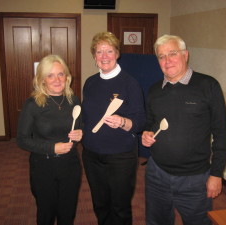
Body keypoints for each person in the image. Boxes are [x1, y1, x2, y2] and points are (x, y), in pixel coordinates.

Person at [141, 34, 226, 225]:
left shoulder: (208, 86)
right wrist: (146, 133)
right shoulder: (154, 90)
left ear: (185, 55)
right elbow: (150, 123)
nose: (167, 60)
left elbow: (221, 133)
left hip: (195, 179)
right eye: (161, 56)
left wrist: (216, 174)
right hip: (157, 174)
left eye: (172, 53)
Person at [81, 31, 146, 225]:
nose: (104, 56)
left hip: (120, 156)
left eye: (109, 51)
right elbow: (87, 117)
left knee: (120, 207)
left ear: (117, 53)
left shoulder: (130, 83)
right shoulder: (90, 83)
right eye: (99, 52)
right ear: (94, 56)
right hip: (92, 154)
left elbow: (141, 121)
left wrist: (123, 122)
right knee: (100, 204)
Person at [17, 54, 82, 225]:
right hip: (43, 167)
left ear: (67, 77)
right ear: (42, 79)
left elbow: (79, 128)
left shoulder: (73, 100)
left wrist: (80, 134)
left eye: (60, 74)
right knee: (46, 213)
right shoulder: (33, 104)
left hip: (70, 165)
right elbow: (22, 140)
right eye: (50, 75)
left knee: (67, 213)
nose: (56, 79)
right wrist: (52, 147)